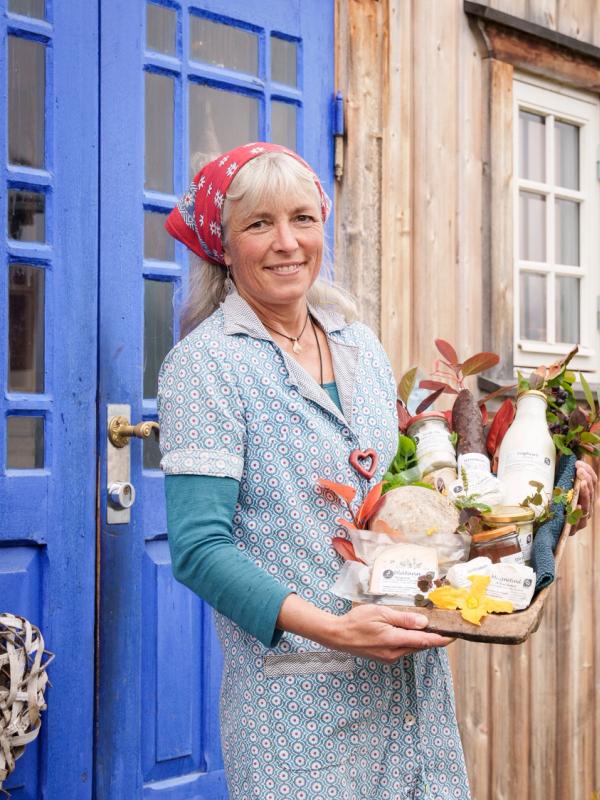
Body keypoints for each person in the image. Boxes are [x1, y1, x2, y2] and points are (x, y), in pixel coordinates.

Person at [157, 142, 596, 800]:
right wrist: (336, 628)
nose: (286, 242)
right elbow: (198, 549)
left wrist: (540, 509)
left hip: (410, 694)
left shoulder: (358, 345)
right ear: (222, 244)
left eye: (303, 218)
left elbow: (398, 495)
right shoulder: (207, 366)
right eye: (258, 224)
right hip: (300, 707)